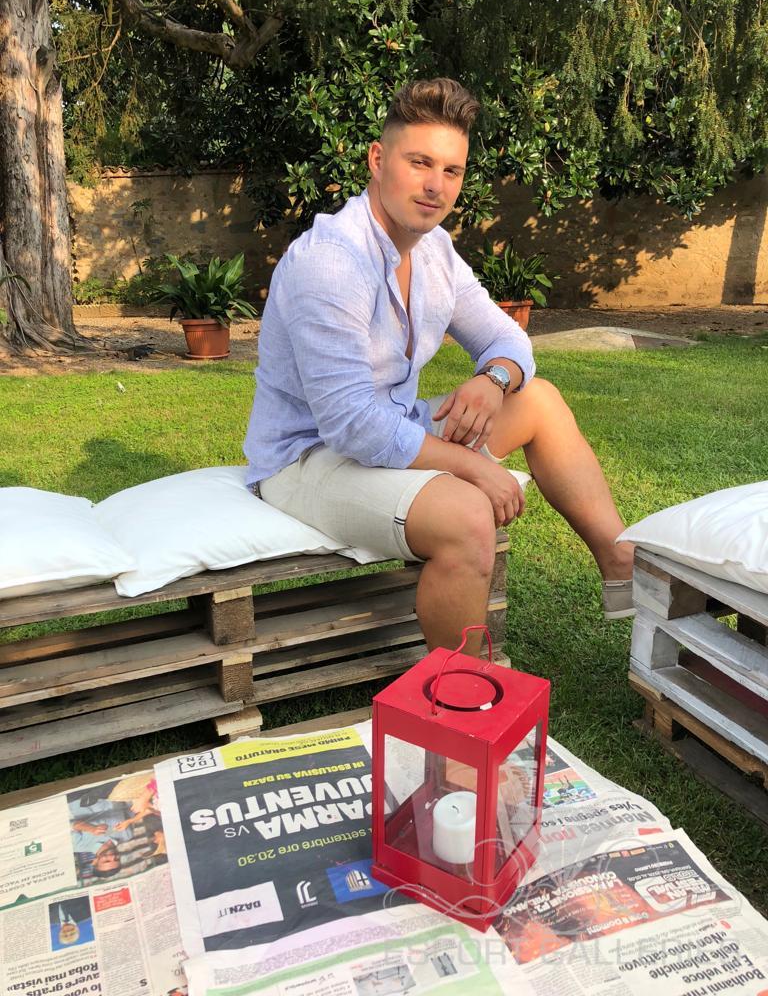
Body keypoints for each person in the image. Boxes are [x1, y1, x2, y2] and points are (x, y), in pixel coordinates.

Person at [244, 78, 635, 653]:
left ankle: (622, 566)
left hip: (392, 427)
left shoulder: (434, 251)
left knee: (540, 402)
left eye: (452, 171)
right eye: (420, 163)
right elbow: (350, 424)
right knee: (468, 516)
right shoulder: (331, 261)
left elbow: (508, 338)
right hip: (307, 458)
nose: (435, 185)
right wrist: (472, 467)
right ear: (378, 160)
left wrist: (493, 379)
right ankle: (462, 690)